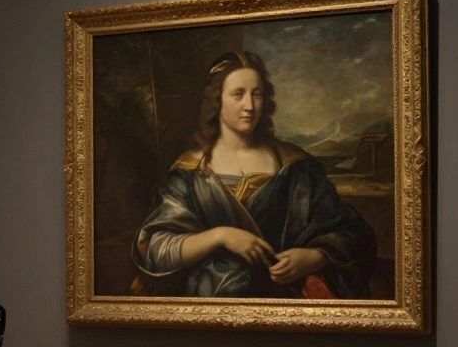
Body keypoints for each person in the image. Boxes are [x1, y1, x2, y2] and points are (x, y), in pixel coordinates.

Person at [130, 50, 377, 298]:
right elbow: (152, 247)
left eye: (256, 94)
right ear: (216, 100)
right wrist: (221, 236)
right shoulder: (189, 172)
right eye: (238, 94)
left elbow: (353, 234)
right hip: (210, 304)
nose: (249, 106)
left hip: (284, 301)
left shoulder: (296, 167)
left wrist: (314, 257)